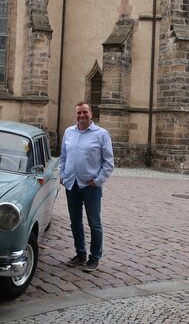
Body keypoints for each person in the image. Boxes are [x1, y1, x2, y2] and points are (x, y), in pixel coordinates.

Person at [59, 101, 114, 272]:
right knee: (75, 222)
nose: (82, 116)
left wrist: (98, 181)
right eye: (79, 113)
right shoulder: (68, 132)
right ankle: (80, 254)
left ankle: (94, 257)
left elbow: (109, 162)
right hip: (71, 184)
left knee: (94, 223)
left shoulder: (101, 134)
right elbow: (63, 157)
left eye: (85, 112)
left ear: (91, 113)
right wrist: (62, 174)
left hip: (91, 187)